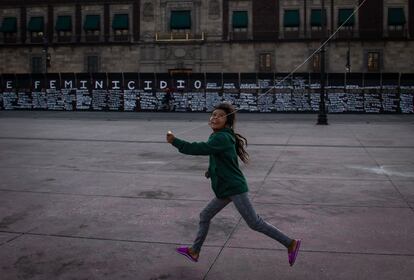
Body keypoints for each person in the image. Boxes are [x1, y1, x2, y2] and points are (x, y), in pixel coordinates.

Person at [166, 102, 301, 266]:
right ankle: (194, 251)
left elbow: (201, 148)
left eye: (220, 116)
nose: (215, 117)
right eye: (213, 114)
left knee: (254, 222)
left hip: (234, 188)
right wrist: (211, 170)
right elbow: (217, 156)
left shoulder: (222, 137)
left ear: (227, 121)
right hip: (225, 189)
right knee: (205, 215)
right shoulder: (218, 135)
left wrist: (175, 141)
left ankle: (290, 243)